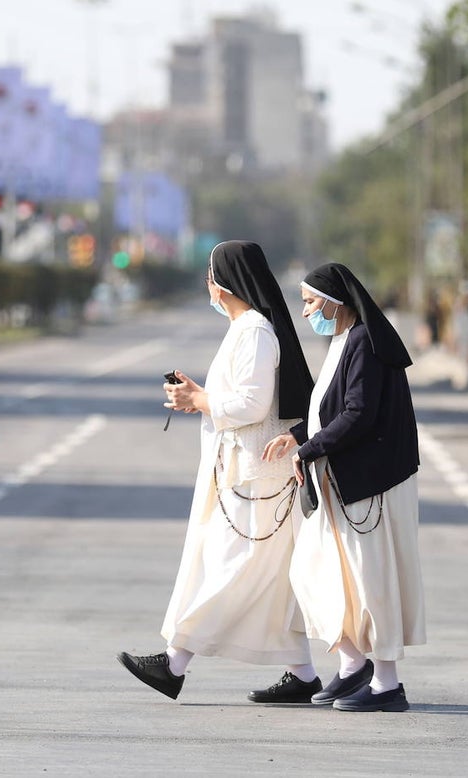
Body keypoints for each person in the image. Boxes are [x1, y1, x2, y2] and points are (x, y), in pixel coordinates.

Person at [118, 240, 320, 703]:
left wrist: (202, 400)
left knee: (232, 570)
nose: (207, 285)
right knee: (263, 578)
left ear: (225, 281)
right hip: (247, 472)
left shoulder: (253, 332)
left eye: (210, 275)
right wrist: (199, 396)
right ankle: (304, 674)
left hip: (256, 477)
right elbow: (244, 397)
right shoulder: (245, 329)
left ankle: (174, 663)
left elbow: (250, 404)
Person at [263, 263, 425, 713]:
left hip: (367, 485)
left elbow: (359, 415)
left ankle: (388, 684)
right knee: (320, 576)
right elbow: (331, 408)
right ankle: (354, 666)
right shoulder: (343, 341)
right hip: (341, 481)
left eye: (311, 301)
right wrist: (299, 436)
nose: (306, 310)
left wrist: (307, 450)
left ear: (336, 302)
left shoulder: (365, 345)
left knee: (371, 583)